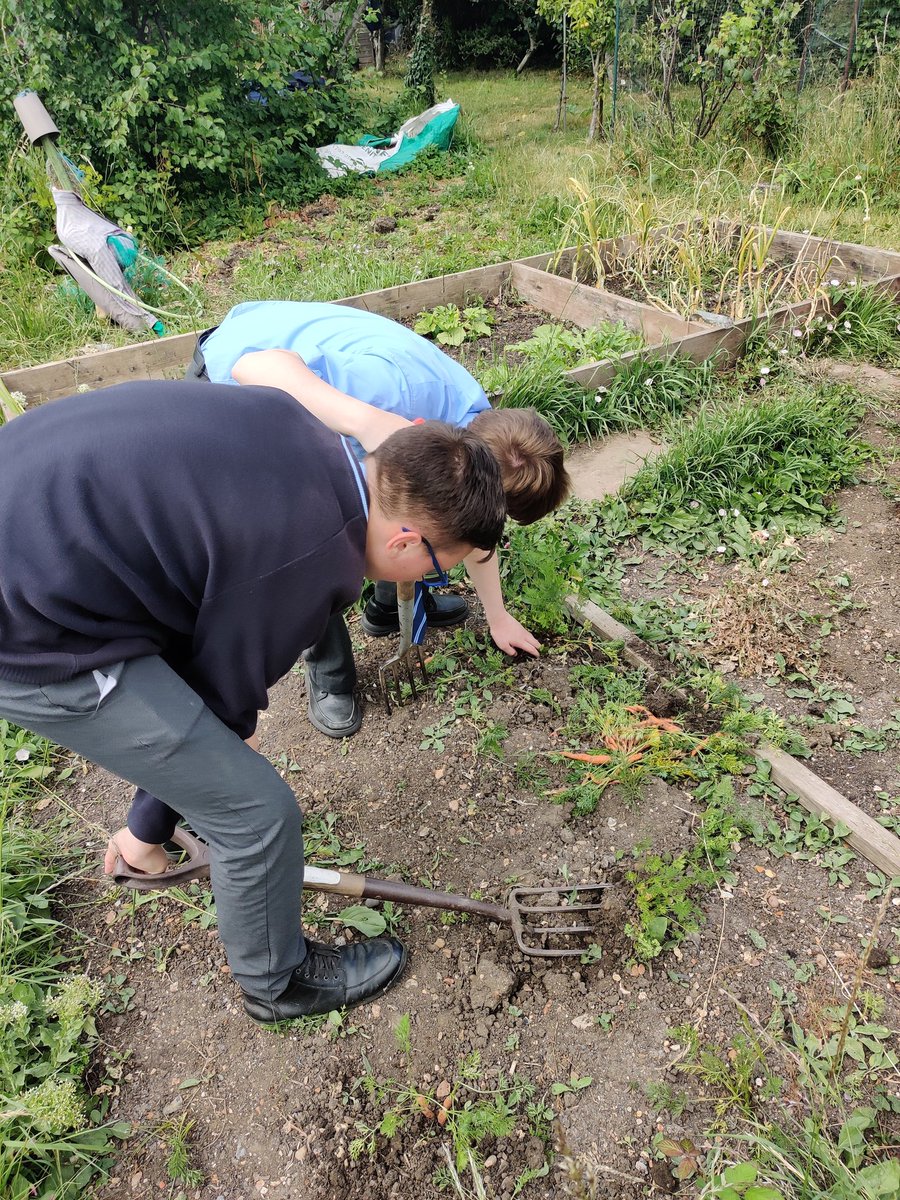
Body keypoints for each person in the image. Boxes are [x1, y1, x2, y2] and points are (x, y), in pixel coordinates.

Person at [0, 379, 506, 1023]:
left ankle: (143, 846)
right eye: (438, 568)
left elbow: (210, 677)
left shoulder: (298, 427)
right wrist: (151, 827)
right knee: (256, 814)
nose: (431, 581)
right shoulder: (311, 556)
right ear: (407, 542)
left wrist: (164, 807)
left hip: (34, 516)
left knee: (219, 756)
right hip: (29, 629)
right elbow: (214, 709)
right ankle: (278, 981)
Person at [188, 300, 571, 737]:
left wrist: (498, 616)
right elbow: (253, 366)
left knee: (404, 513)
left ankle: (386, 608)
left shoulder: (480, 427)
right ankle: (330, 675)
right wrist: (366, 421)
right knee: (319, 534)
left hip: (304, 371)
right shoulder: (389, 395)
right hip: (237, 382)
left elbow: (471, 534)